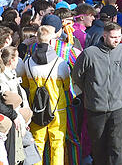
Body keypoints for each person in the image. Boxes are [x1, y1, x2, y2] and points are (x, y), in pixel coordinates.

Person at [72, 22, 122, 165]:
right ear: (104, 35)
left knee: (116, 147)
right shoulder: (90, 53)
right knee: (98, 148)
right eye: (113, 37)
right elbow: (77, 76)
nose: (117, 40)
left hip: (117, 107)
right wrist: (91, 91)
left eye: (119, 37)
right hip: (95, 108)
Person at [18, 25, 70, 165]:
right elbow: (66, 86)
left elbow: (25, 85)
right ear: (53, 38)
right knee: (57, 144)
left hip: (37, 109)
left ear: (37, 39)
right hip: (57, 110)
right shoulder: (60, 63)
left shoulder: (27, 62)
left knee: (37, 144)